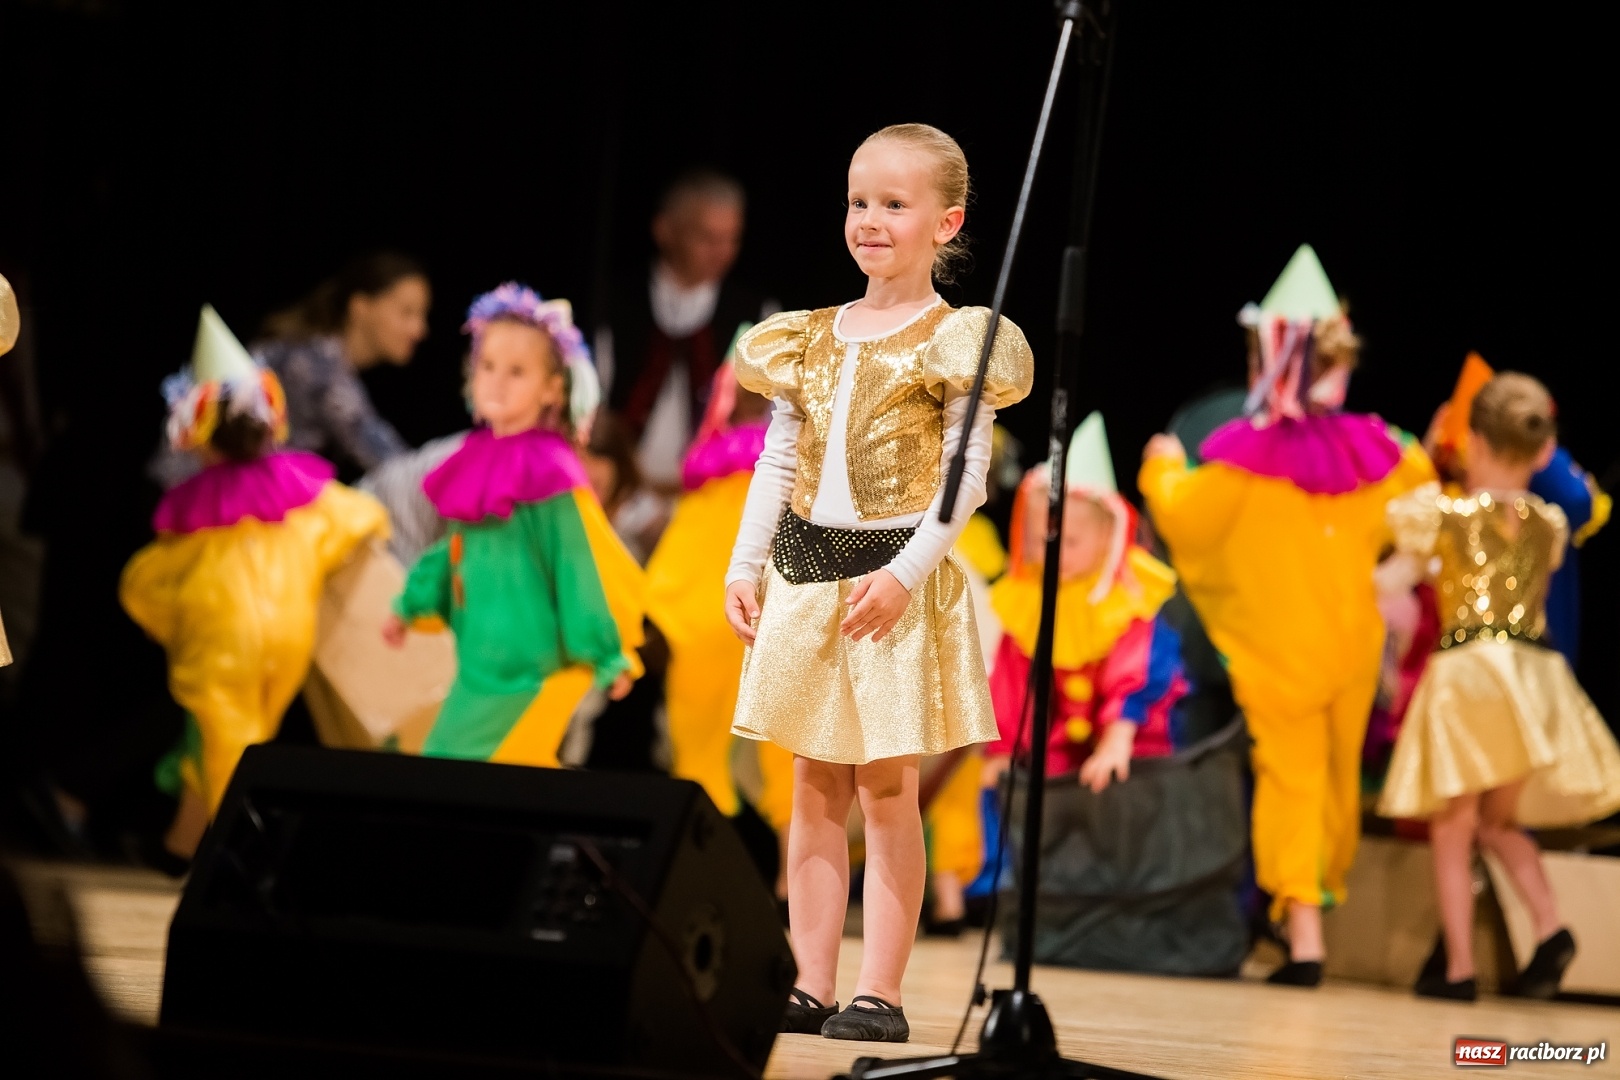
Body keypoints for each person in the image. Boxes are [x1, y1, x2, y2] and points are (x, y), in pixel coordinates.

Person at [724, 124, 1033, 1042]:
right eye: (859, 200)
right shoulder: (809, 338)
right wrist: (748, 564)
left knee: (885, 786)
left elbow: (965, 474)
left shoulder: (957, 340)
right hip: (806, 570)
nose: (869, 219)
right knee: (812, 784)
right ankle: (809, 977)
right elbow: (778, 461)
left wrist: (904, 573)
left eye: (894, 204)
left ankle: (882, 990)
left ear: (947, 222)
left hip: (893, 579)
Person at [1139, 245, 1434, 987]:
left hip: (1282, 651)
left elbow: (1184, 516)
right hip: (1350, 643)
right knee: (1332, 781)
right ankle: (1309, 909)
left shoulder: (1242, 456)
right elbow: (1424, 500)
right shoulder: (1380, 452)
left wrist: (1161, 462)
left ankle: (1303, 935)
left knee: (1294, 780)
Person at [1379, 372, 1620, 1001]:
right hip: (1533, 675)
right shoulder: (1549, 524)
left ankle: (1458, 966)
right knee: (1498, 820)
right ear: (1541, 450)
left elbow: (1395, 572)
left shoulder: (1447, 511)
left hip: (1472, 671)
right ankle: (1551, 925)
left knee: (1455, 823)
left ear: (1474, 441)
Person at [120, 306, 389, 859]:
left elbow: (145, 583)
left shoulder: (198, 516)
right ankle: (182, 848)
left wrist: (158, 620)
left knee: (228, 745)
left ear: (201, 438)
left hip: (222, 645)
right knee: (231, 742)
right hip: (289, 636)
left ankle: (239, 856)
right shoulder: (303, 502)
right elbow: (362, 518)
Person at [385, 284, 644, 766]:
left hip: (528, 675)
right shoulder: (475, 458)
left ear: (552, 388)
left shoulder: (549, 469)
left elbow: (577, 562)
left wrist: (607, 655)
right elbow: (456, 548)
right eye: (488, 367)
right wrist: (410, 602)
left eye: (517, 371)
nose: (497, 383)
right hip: (476, 669)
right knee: (448, 767)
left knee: (485, 779)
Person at [645, 349, 796, 888]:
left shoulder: (731, 480)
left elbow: (671, 574)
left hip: (726, 624)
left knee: (724, 756)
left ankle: (706, 875)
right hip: (752, 624)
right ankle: (770, 880)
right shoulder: (758, 477)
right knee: (776, 756)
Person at [604, 170, 769, 496]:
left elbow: (761, 425)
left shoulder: (757, 315)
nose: (722, 252)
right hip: (619, 499)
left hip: (709, 501)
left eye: (731, 239)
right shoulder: (613, 305)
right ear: (665, 230)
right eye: (707, 238)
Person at [254, 251, 431, 476]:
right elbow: (394, 464)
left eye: (422, 315)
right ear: (361, 306)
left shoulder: (319, 354)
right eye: (407, 313)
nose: (420, 330)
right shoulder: (316, 364)